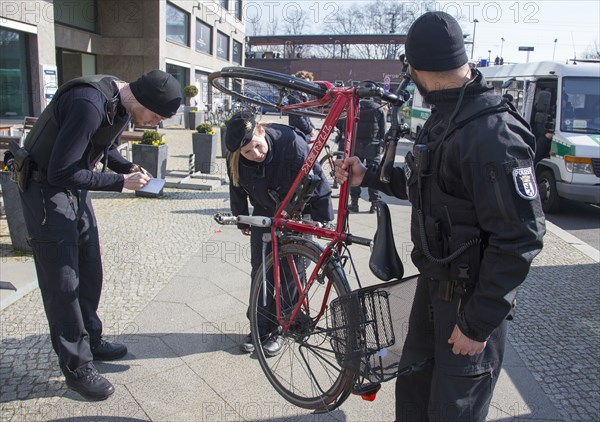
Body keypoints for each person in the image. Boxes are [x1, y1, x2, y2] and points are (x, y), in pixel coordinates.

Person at [335, 12, 545, 421]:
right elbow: (429, 187)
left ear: (416, 69)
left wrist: (477, 324)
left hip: (469, 306)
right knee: (413, 400)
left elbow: (521, 237)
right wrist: (370, 176)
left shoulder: (492, 134)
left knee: (452, 412)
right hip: (432, 294)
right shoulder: (446, 115)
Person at [17, 70, 182, 400]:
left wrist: (126, 168)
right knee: (62, 282)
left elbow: (100, 146)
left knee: (90, 269)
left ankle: (91, 339)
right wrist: (119, 184)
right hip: (46, 190)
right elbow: (60, 170)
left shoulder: (120, 103)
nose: (154, 123)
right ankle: (77, 368)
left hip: (73, 190)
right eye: (156, 115)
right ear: (142, 100)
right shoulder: (88, 103)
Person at [225, 112, 333, 356]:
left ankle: (284, 327)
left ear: (261, 131)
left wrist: (321, 217)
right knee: (261, 272)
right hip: (264, 212)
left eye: (257, 147)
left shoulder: (291, 143)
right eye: (248, 153)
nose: (256, 154)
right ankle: (260, 328)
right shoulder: (236, 156)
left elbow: (319, 179)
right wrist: (241, 216)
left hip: (297, 210)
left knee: (290, 274)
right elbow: (236, 187)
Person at [344, 93, 386, 213]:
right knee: (374, 174)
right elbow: (383, 130)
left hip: (356, 145)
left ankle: (355, 203)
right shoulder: (378, 108)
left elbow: (346, 125)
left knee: (354, 174)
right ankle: (374, 204)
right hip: (373, 146)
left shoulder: (355, 107)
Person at [288, 70, 317, 142]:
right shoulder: (295, 97)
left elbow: (306, 116)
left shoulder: (303, 96)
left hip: (303, 134)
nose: (307, 86)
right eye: (305, 83)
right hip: (298, 134)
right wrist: (310, 129)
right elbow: (298, 117)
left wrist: (312, 127)